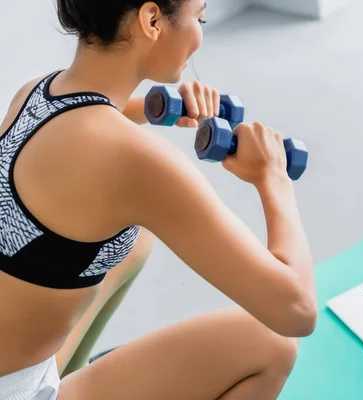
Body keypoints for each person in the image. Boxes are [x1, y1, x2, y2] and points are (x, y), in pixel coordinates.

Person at [0, 0, 317, 398]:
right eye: (199, 17)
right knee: (273, 345)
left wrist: (155, 110)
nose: (200, 33)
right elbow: (297, 311)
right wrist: (273, 178)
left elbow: (89, 128)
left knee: (135, 242)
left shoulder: (34, 93)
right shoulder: (134, 162)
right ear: (152, 20)